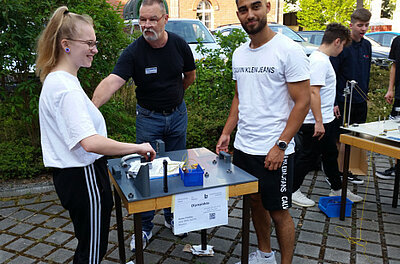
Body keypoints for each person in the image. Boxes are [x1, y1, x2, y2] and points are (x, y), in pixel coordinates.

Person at [36, 6, 156, 263]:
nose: (95, 49)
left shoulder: (61, 80)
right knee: (92, 251)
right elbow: (89, 143)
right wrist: (136, 147)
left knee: (91, 245)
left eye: (95, 42)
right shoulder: (65, 87)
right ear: (66, 45)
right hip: (83, 176)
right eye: (89, 43)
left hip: (81, 175)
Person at [91, 0, 196, 252]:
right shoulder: (133, 52)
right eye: (142, 19)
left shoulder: (180, 45)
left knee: (176, 167)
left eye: (152, 19)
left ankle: (174, 217)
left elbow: (190, 76)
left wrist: (174, 100)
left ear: (165, 19)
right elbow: (112, 81)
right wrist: (90, 109)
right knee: (147, 173)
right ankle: (145, 226)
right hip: (148, 119)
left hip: (177, 116)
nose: (146, 25)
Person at [216, 1, 310, 263]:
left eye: (255, 6)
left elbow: (303, 102)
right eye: (244, 9)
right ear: (238, 15)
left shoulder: (288, 50)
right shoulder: (239, 53)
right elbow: (239, 96)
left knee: (279, 211)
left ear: (268, 6)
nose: (250, 14)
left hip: (275, 150)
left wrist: (281, 145)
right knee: (255, 203)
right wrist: (227, 132)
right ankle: (265, 255)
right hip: (245, 147)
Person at [292, 23, 363, 208]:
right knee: (308, 156)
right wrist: (318, 122)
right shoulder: (319, 61)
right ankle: (291, 190)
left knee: (330, 154)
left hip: (325, 118)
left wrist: (330, 107)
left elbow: (322, 92)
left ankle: (338, 189)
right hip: (315, 121)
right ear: (337, 41)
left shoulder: (322, 59)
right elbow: (313, 92)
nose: (342, 51)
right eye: (343, 46)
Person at [330, 8, 372, 185]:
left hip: (360, 99)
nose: (363, 29)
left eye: (366, 25)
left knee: (355, 136)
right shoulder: (342, 46)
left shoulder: (367, 45)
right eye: (360, 25)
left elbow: (367, 71)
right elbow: (332, 74)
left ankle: (351, 168)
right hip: (343, 99)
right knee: (341, 137)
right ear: (351, 25)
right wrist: (333, 101)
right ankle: (338, 171)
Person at [375, 35, 400, 179]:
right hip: (399, 96)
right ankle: (397, 168)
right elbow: (394, 66)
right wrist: (390, 89)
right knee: (397, 133)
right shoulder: (397, 41)